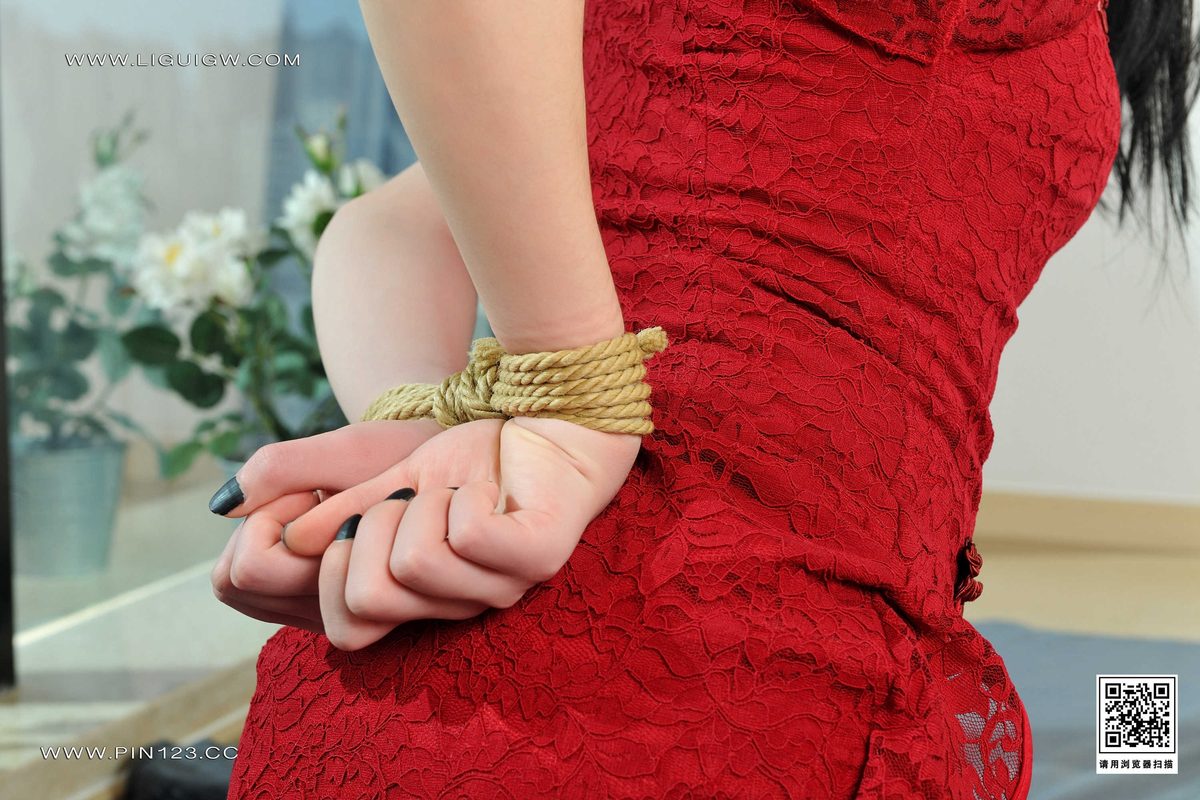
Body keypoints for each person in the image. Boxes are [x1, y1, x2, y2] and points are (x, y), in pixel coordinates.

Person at [208, 1, 1198, 797]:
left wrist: (423, 429)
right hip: (641, 687)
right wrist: (566, 384)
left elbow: (404, 216)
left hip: (580, 619)